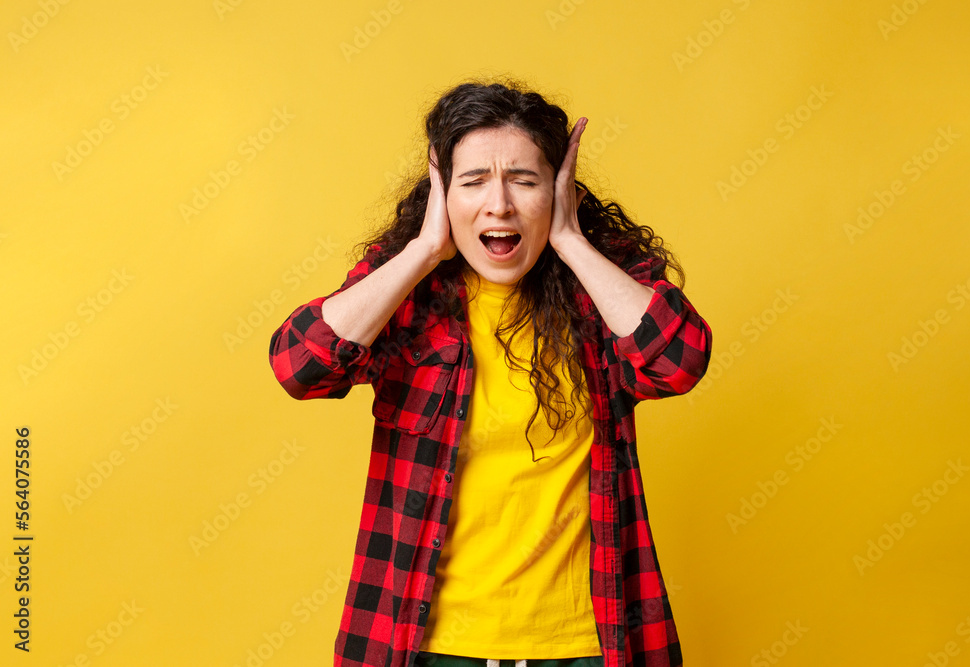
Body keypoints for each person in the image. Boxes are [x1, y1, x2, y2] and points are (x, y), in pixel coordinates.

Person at [268, 78, 713, 667]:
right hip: (426, 646)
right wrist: (424, 250)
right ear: (440, 193)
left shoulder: (599, 292)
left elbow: (679, 363)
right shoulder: (411, 292)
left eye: (525, 181)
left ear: (558, 190)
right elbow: (300, 366)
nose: (499, 204)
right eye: (473, 181)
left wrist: (570, 240)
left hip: (587, 645)